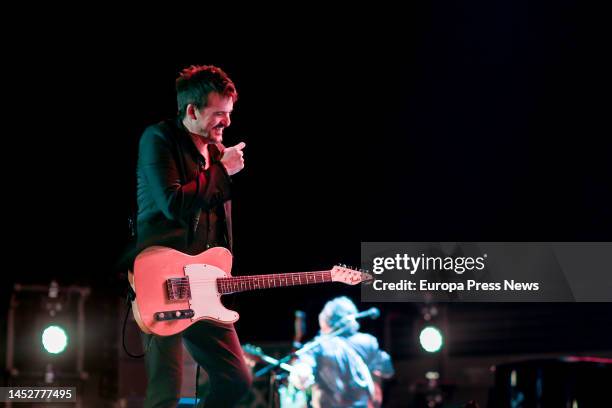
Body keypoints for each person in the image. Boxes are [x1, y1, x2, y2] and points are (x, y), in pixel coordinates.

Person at [135, 65, 251, 407]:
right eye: (219, 114)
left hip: (204, 287)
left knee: (236, 380)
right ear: (191, 110)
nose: (227, 123)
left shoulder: (215, 154)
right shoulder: (158, 139)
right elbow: (172, 204)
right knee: (166, 391)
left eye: (229, 114)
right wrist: (223, 172)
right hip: (161, 282)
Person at [289, 297, 394, 408]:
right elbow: (387, 369)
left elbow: (303, 368)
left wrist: (301, 372)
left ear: (327, 319)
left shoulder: (319, 345)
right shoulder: (367, 342)